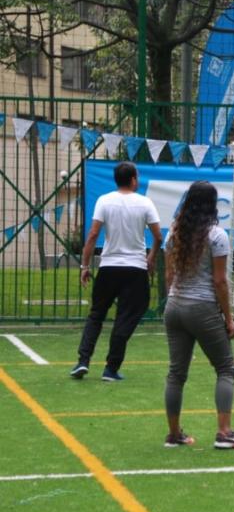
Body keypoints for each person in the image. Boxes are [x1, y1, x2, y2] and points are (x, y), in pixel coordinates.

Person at [163, 181, 234, 449]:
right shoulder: (216, 235)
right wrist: (228, 319)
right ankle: (224, 433)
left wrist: (174, 299)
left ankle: (174, 434)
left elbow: (169, 276)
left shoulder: (174, 233)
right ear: (212, 205)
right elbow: (220, 282)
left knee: (176, 374)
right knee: (226, 368)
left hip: (174, 306)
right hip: (201, 308)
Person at [69, 161, 162, 381]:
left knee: (96, 314)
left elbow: (92, 235)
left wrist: (84, 266)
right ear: (133, 180)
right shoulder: (145, 203)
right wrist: (150, 257)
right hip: (134, 269)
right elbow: (158, 237)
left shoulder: (104, 200)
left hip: (108, 267)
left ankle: (83, 361)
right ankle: (111, 368)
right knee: (128, 316)